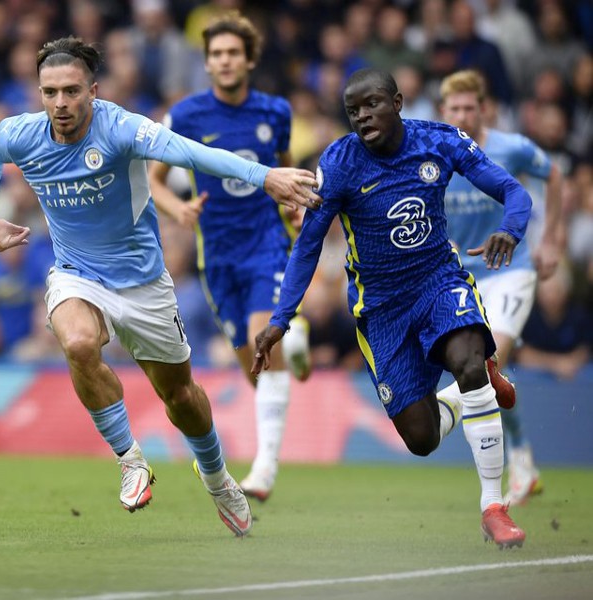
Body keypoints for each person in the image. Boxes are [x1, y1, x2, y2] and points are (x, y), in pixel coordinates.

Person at [0, 37, 320, 537]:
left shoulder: (121, 129)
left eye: (72, 91)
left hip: (143, 283)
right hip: (77, 273)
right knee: (76, 342)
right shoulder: (22, 135)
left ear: (92, 90)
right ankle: (131, 460)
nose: (61, 103)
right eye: (50, 92)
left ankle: (220, 480)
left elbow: (193, 154)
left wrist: (264, 176)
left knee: (180, 397)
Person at [251, 68, 531, 549]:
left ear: (398, 102)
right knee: (421, 439)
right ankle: (474, 389)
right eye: (353, 111)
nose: (362, 116)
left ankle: (493, 505)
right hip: (380, 310)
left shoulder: (439, 141)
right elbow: (308, 247)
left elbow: (513, 191)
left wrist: (511, 227)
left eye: (372, 104)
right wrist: (280, 319)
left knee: (464, 359)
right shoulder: (338, 164)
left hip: (439, 282)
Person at [148, 12, 311, 502]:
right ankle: (296, 339)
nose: (224, 61)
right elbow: (153, 180)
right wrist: (179, 209)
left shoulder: (275, 112)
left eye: (232, 53)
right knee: (255, 368)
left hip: (266, 244)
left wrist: (292, 203)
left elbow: (284, 171)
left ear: (249, 59)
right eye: (216, 54)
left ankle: (263, 470)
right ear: (207, 63)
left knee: (264, 340)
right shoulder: (187, 116)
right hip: (216, 257)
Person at [437, 69, 564, 506]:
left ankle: (437, 416)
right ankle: (524, 465)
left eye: (469, 107)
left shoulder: (511, 148)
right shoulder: (435, 153)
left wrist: (551, 239)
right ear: (443, 111)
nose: (462, 114)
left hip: (514, 268)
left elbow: (556, 176)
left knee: (490, 359)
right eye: (453, 108)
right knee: (493, 375)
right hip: (464, 277)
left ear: (483, 108)